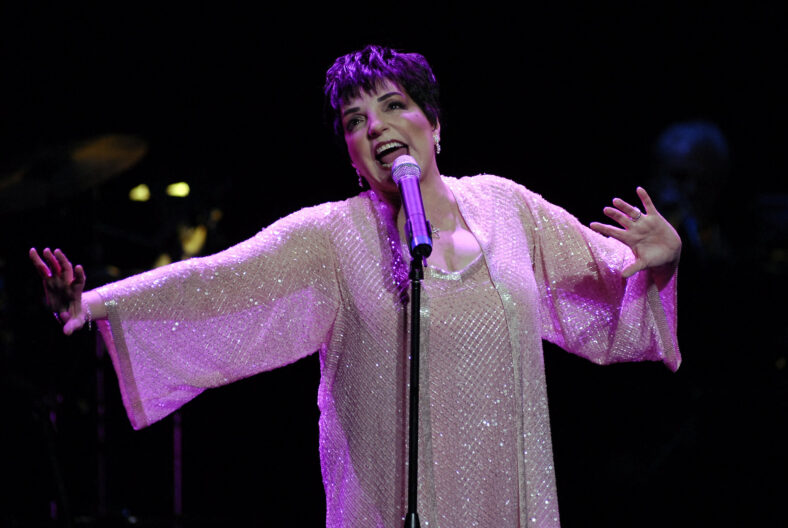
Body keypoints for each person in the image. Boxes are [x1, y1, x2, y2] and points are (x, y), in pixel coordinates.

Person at [30, 45, 681, 528]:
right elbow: (220, 283)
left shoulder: (507, 207)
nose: (374, 125)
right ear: (348, 151)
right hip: (382, 507)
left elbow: (611, 279)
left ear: (435, 124)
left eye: (393, 105)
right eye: (353, 119)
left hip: (504, 501)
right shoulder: (332, 237)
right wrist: (89, 304)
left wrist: (663, 259)